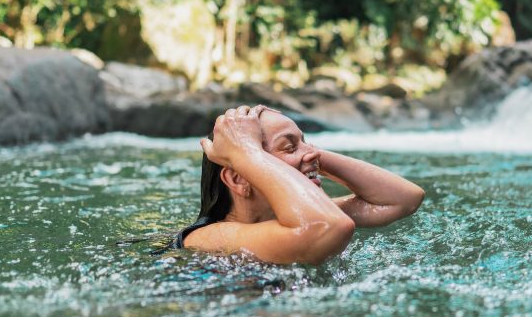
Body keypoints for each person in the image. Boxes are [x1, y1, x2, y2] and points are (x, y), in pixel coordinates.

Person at [175, 104, 425, 265]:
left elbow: (403, 199)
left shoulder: (302, 216)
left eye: (307, 143)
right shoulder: (209, 238)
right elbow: (329, 227)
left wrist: (309, 156)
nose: (314, 153)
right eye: (289, 146)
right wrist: (247, 152)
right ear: (238, 179)